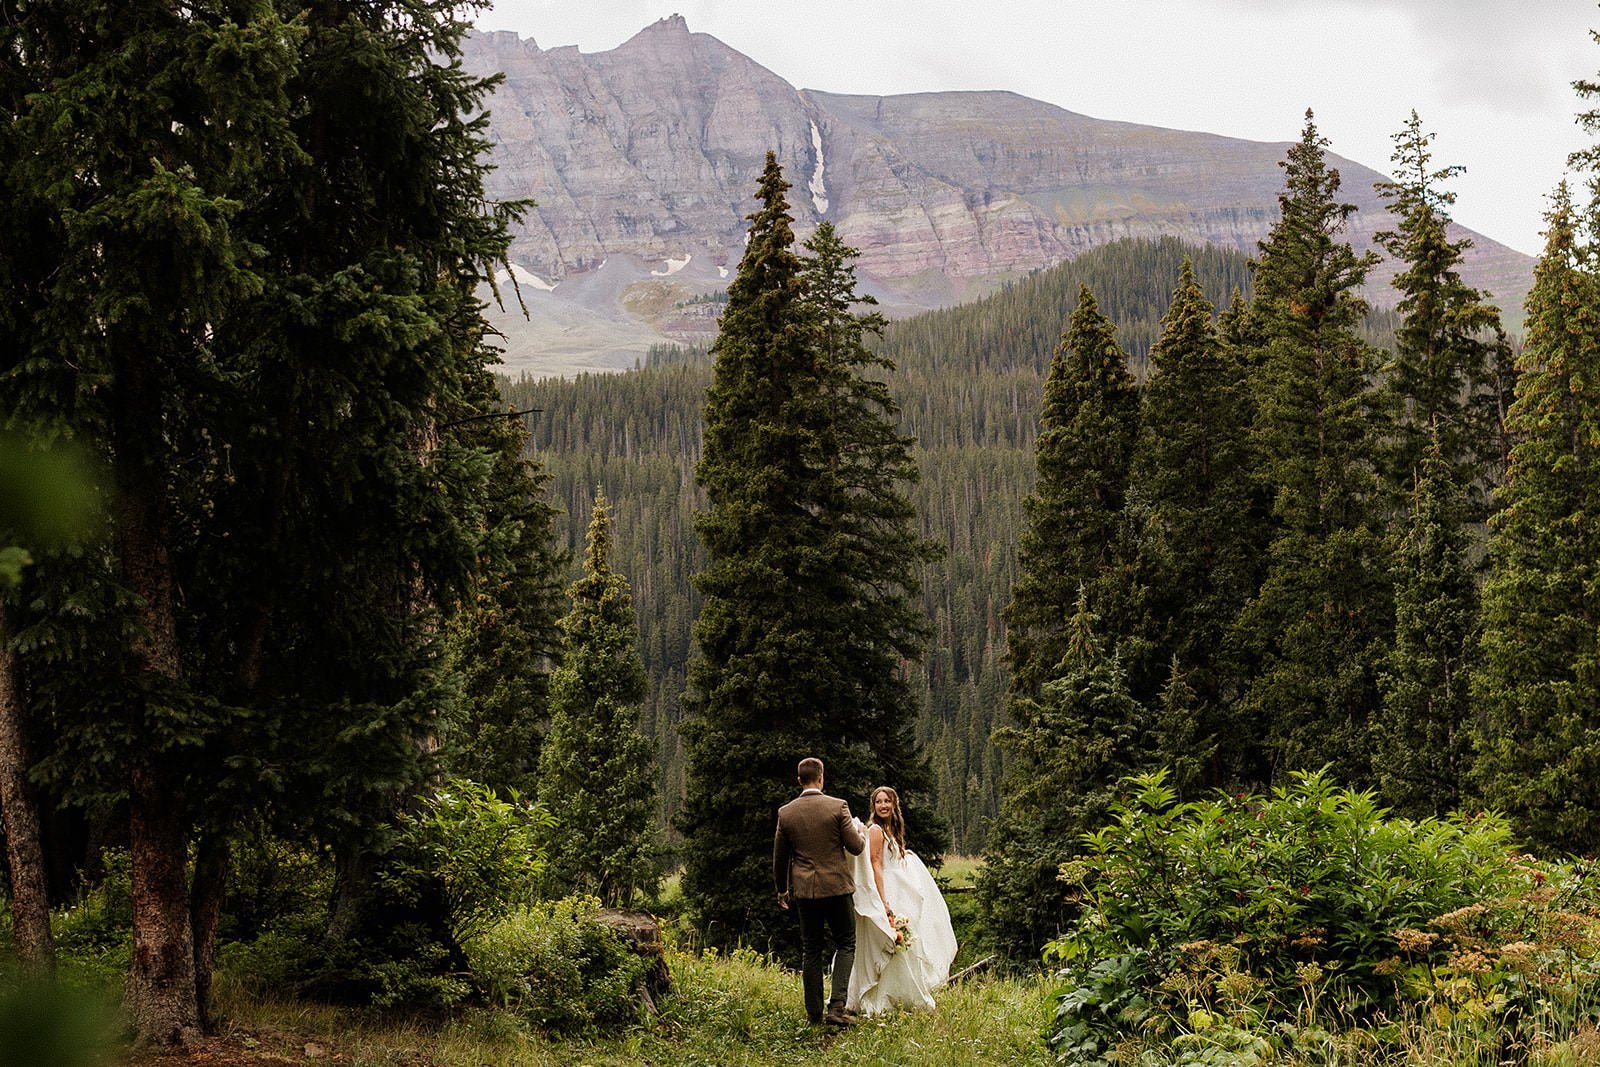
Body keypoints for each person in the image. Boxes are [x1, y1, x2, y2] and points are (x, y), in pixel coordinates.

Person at [846, 785, 958, 1015]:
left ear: (894, 804)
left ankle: (902, 993)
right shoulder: (875, 830)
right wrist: (883, 900)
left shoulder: (891, 830)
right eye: (879, 802)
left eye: (887, 801)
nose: (883, 805)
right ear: (873, 806)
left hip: (900, 890)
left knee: (904, 944)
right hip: (887, 890)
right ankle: (882, 996)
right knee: (890, 942)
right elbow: (875, 863)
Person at [773, 756, 867, 1026]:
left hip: (805, 892)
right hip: (837, 887)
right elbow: (856, 847)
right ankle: (837, 1007)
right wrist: (861, 834)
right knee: (846, 942)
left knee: (811, 948)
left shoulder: (786, 813)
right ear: (821, 778)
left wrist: (782, 890)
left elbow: (780, 857)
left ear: (799, 780)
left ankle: (813, 1012)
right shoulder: (838, 806)